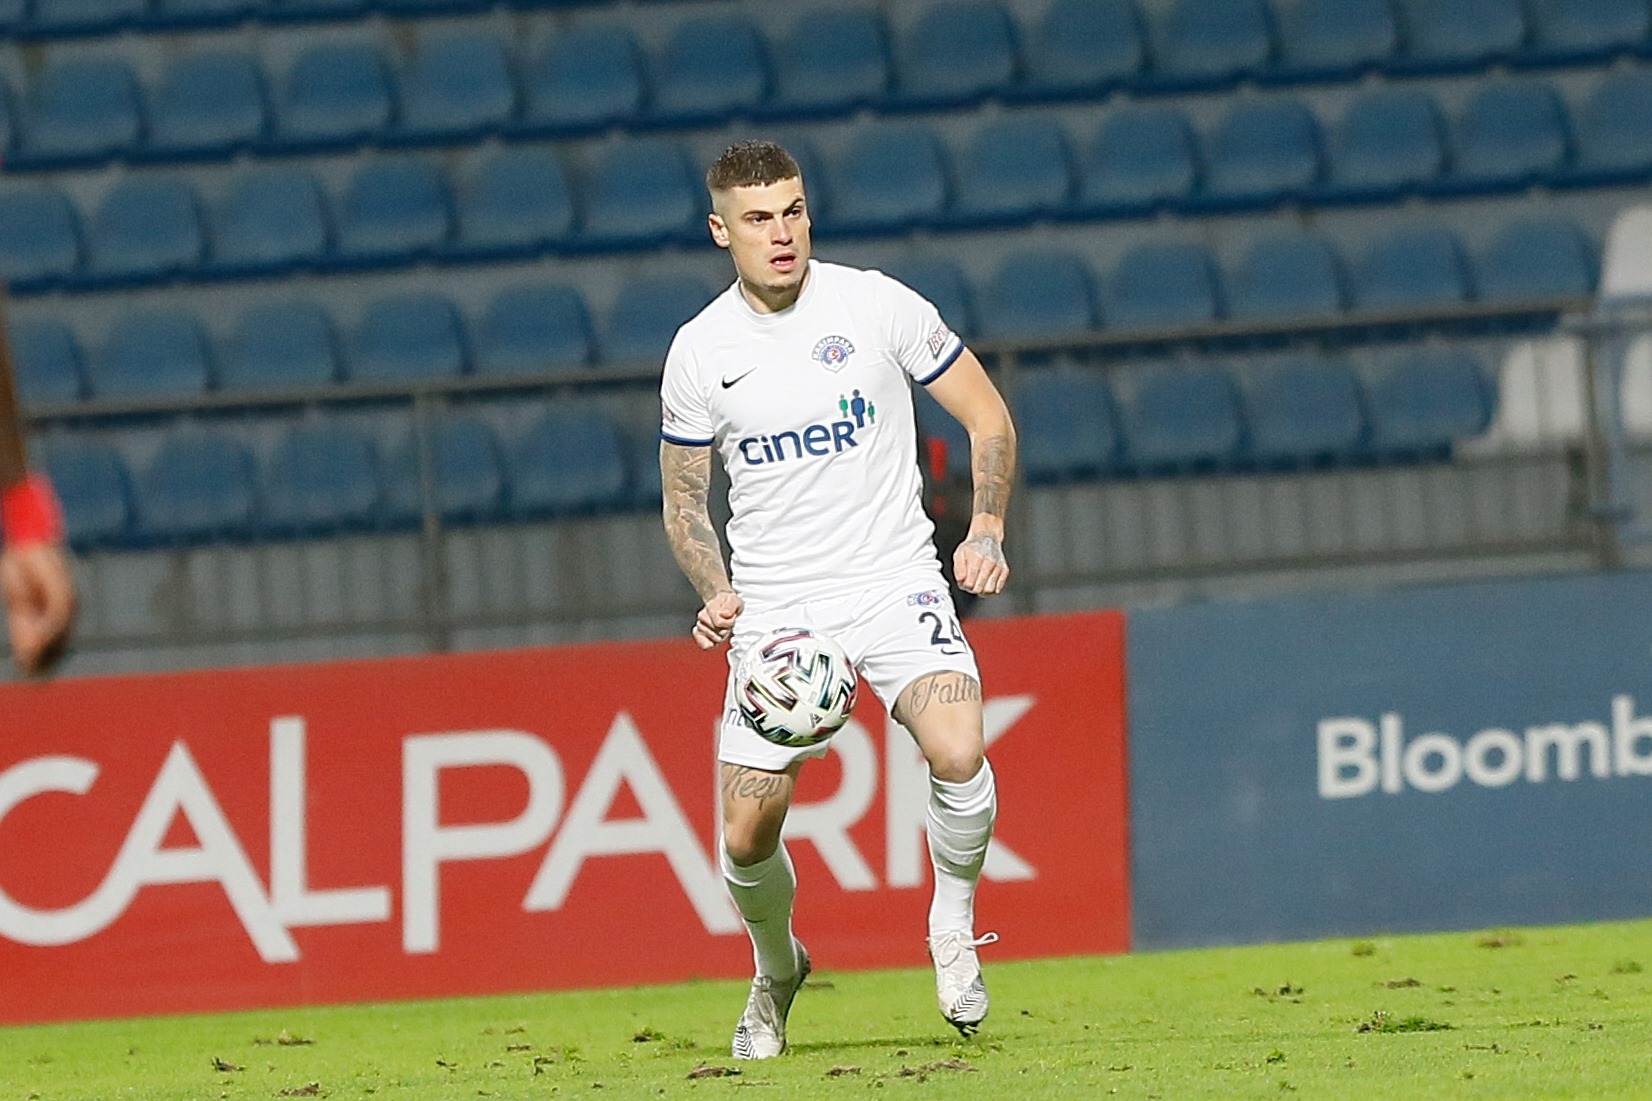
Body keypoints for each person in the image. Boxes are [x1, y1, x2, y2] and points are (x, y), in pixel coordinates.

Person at [658, 140, 1017, 1059]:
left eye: (793, 210)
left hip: (894, 578)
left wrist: (984, 527)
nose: (781, 233)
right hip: (778, 613)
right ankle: (777, 967)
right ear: (721, 231)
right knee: (746, 834)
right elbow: (685, 503)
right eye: (757, 218)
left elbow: (987, 414)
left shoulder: (877, 304)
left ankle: (951, 924)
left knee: (959, 745)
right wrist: (715, 591)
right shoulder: (700, 351)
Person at [0, 295, 75, 676]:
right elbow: (64, 603)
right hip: (17, 480)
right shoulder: (48, 584)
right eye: (23, 648)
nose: (16, 640)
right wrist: (47, 629)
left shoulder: (20, 592)